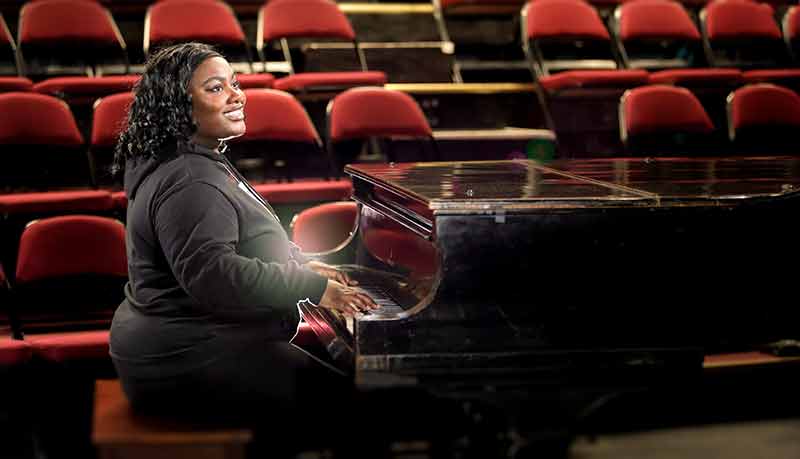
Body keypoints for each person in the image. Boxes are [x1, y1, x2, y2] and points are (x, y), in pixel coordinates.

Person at [108, 42, 380, 445]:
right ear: (178, 105)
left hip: (191, 344)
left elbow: (242, 241)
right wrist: (313, 287)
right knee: (357, 404)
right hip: (188, 358)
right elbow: (214, 275)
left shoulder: (193, 158)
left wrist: (301, 265)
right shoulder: (191, 178)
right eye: (216, 88)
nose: (238, 95)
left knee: (338, 387)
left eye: (234, 83)